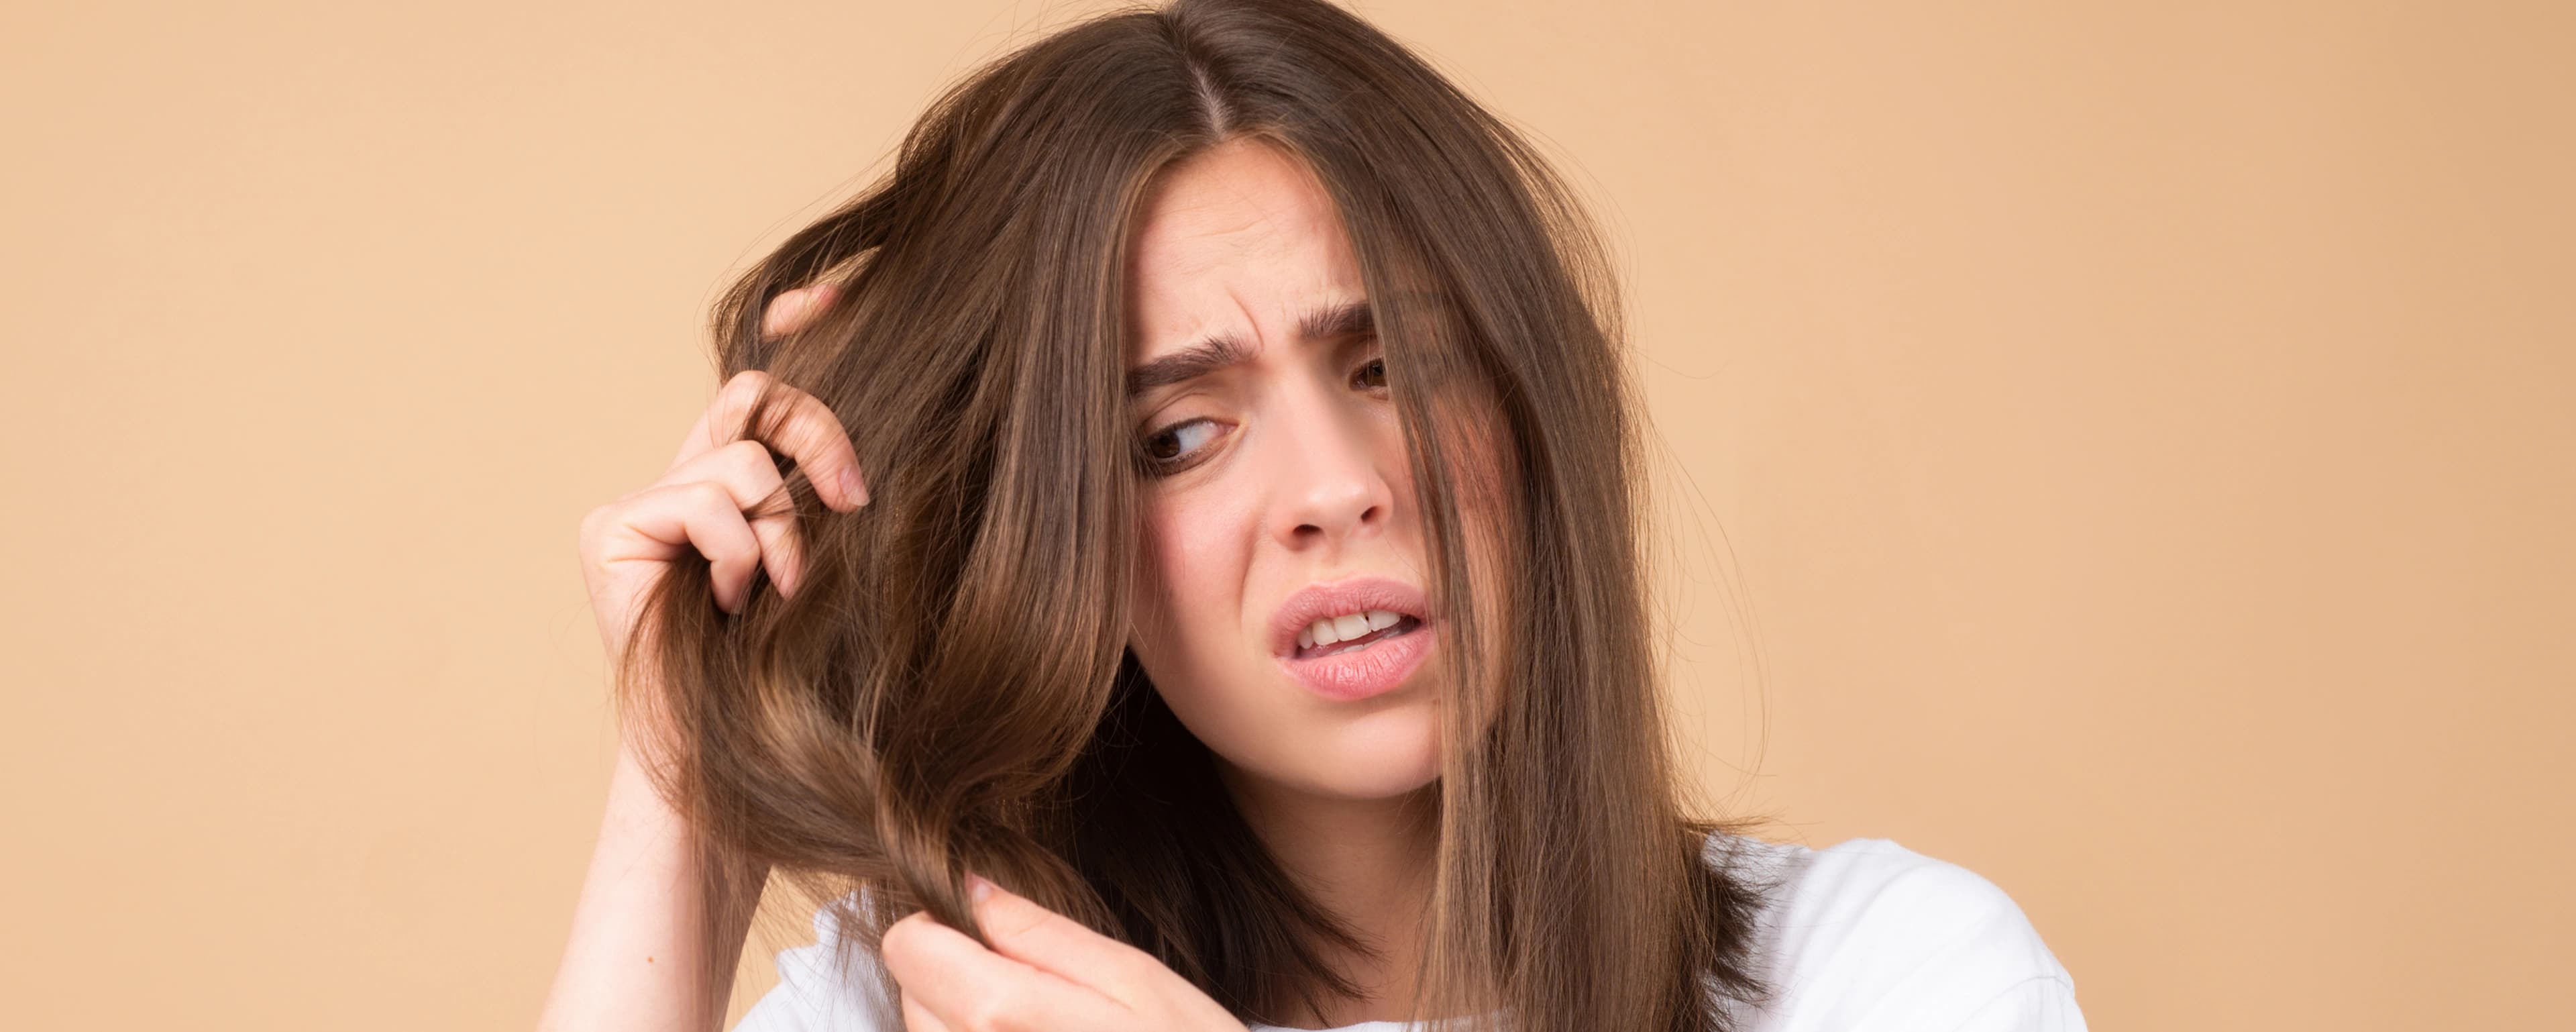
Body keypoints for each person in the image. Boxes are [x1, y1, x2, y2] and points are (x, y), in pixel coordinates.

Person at [538, 1, 2086, 1030]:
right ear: (1063, 536)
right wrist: (688, 758)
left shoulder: (1885, 977)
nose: (1339, 486)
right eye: (1177, 435)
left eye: (1394, 366)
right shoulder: (925, 1003)